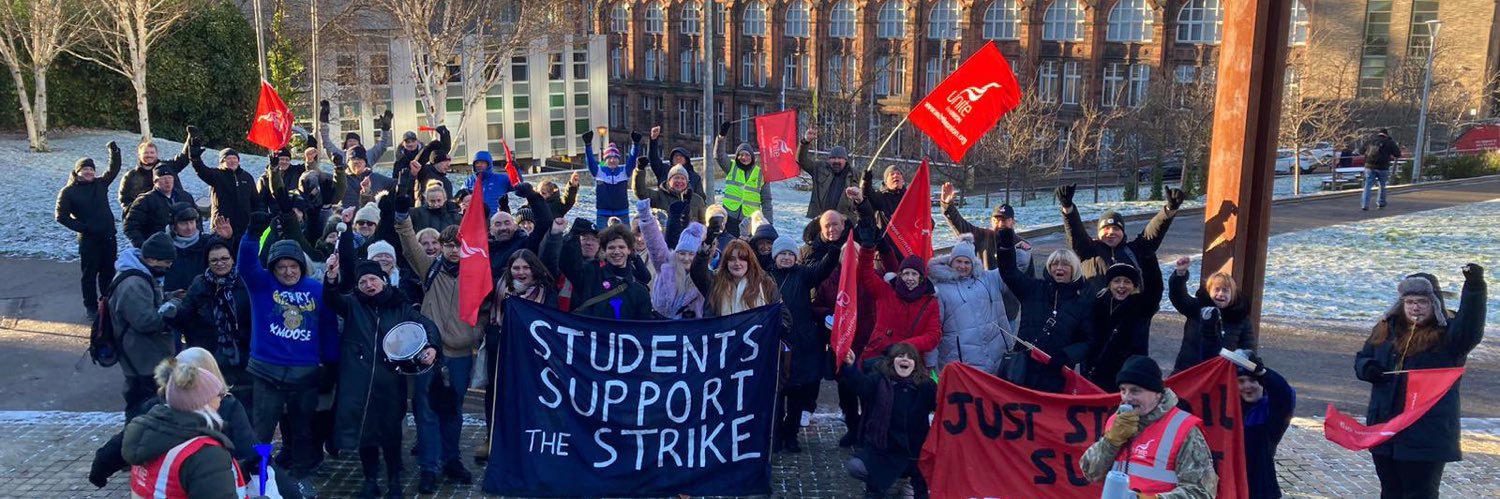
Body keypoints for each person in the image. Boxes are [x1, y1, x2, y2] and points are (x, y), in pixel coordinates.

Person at [1356, 265, 1485, 499]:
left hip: (1425, 435)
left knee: (1419, 494)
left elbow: (1471, 326)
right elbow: (1362, 358)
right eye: (1410, 301)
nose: (1415, 307)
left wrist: (1474, 286)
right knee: (1390, 492)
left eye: (1422, 302)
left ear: (1434, 304)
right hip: (1385, 431)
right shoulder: (1385, 330)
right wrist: (1368, 369)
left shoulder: (1450, 337)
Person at [325, 250, 441, 498]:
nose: (369, 285)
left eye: (373, 280)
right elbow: (331, 298)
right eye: (363, 281)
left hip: (390, 382)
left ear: (384, 280)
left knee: (390, 433)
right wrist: (332, 278)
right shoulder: (352, 304)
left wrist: (431, 346)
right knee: (365, 432)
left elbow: (426, 325)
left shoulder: (400, 306)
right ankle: (370, 481)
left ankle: (394, 482)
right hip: (358, 381)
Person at [238, 213, 335, 490]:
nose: (288, 271)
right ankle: (259, 473)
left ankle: (301, 476)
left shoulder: (316, 290)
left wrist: (330, 362)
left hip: (304, 375)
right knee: (262, 430)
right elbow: (245, 265)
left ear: (301, 267)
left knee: (303, 430)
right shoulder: (261, 285)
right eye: (282, 266)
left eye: (293, 266)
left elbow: (328, 327)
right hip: (266, 371)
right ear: (273, 268)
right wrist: (251, 235)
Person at [395, 217, 478, 491]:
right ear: (441, 247)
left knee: (453, 411)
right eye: (449, 245)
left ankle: (451, 460)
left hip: (461, 354)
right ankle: (429, 467)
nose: (454, 250)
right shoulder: (430, 269)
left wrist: (474, 334)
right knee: (427, 412)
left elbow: (487, 309)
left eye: (459, 245)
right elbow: (409, 243)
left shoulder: (476, 273)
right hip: (429, 355)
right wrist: (401, 216)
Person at [1080, 355, 1219, 499]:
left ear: (1157, 394)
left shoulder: (1183, 428)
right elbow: (1091, 472)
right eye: (1123, 390)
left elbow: (1202, 493)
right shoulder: (1117, 422)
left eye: (1135, 391)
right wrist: (1111, 442)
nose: (1127, 398)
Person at [122, 361, 246, 499]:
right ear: (204, 402)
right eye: (219, 395)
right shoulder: (205, 453)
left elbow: (183, 476)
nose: (222, 400)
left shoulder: (152, 434)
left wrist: (231, 469)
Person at [764, 234, 839, 453]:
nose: (786, 258)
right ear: (775, 256)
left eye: (790, 254)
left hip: (801, 343)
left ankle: (791, 435)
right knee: (777, 394)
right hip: (775, 342)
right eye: (782, 254)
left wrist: (833, 249)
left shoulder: (803, 275)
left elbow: (823, 269)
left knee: (797, 394)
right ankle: (775, 435)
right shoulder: (765, 277)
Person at [995, 228, 1092, 394]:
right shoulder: (1033, 288)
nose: (1059, 268)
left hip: (1055, 373)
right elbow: (1009, 273)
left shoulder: (1082, 302)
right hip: (1023, 368)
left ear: (1074, 269)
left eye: (1065, 264)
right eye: (1055, 264)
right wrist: (1005, 247)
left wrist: (1067, 356)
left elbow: (1088, 341)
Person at [840, 343, 937, 499]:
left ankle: (904, 483)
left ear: (915, 364)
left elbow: (943, 404)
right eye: (900, 356)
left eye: (910, 357)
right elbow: (860, 386)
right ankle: (882, 484)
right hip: (884, 450)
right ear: (892, 361)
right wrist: (851, 367)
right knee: (856, 467)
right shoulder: (879, 381)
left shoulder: (925, 386)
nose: (905, 359)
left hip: (914, 454)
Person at [166, 241, 252, 402]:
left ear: (233, 259)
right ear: (207, 262)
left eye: (224, 258)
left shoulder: (245, 284)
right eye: (214, 260)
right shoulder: (199, 285)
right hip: (210, 357)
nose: (220, 263)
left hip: (243, 358)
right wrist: (172, 314)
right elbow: (185, 317)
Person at [1057, 183, 1182, 287]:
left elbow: (1152, 233)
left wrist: (1170, 209)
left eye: (1116, 228)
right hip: (1094, 314)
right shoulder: (1088, 251)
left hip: (1128, 314)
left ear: (1123, 233)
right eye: (1106, 229)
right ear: (1098, 233)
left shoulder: (1135, 250)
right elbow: (1075, 232)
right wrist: (1068, 208)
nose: (1111, 232)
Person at [851, 221, 940, 363]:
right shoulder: (886, 290)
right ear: (900, 275)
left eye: (914, 274)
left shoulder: (930, 302)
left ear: (922, 278)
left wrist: (904, 346)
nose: (910, 278)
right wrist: (867, 249)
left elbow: (933, 336)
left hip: (908, 360)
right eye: (906, 273)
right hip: (878, 355)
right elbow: (865, 274)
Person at [111, 232, 177, 419]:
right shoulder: (134, 284)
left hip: (144, 358)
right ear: (152, 259)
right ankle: (130, 446)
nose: (169, 267)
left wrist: (169, 297)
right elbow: (145, 321)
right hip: (143, 362)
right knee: (141, 414)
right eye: (166, 262)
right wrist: (172, 308)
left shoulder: (140, 275)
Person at [927, 236, 1012, 374]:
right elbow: (933, 328)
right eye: (958, 261)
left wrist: (1019, 249)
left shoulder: (987, 278)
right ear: (951, 262)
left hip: (995, 355)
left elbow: (1013, 269)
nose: (962, 266)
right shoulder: (940, 290)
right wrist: (930, 362)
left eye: (967, 262)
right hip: (962, 362)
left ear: (973, 264)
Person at [57, 141, 123, 319]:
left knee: (108, 272)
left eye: (91, 169)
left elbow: (114, 169)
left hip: (109, 237)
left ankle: (108, 303)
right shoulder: (68, 192)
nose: (89, 172)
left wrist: (114, 152)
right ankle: (91, 307)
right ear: (78, 172)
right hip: (89, 240)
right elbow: (61, 216)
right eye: (85, 169)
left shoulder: (100, 184)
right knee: (89, 274)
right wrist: (84, 228)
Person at [549, 220, 654, 320]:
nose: (616, 252)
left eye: (621, 247)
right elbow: (568, 265)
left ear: (629, 250)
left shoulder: (639, 289)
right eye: (611, 248)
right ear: (604, 250)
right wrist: (573, 235)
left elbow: (643, 327)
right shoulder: (590, 273)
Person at [1084, 261, 1163, 390]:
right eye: (1117, 281)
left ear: (1134, 286)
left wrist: (1148, 259)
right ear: (1110, 284)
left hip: (1130, 373)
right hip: (1098, 372)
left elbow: (1155, 287)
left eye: (1127, 282)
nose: (1121, 286)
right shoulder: (1097, 303)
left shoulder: (1142, 306)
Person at [1169, 257, 1255, 371]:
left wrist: (1246, 362)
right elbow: (1179, 297)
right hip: (1189, 369)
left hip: (1221, 372)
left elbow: (1248, 347)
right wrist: (1180, 275)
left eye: (1225, 290)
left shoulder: (1241, 317)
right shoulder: (1197, 308)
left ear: (1232, 294)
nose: (1220, 294)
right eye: (1217, 290)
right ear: (1209, 291)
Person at [638, 200, 707, 319]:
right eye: (682, 253)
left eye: (691, 254)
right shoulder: (665, 265)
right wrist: (646, 218)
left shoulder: (705, 277)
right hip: (662, 326)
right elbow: (655, 244)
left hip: (692, 331)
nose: (686, 258)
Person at [1239, 355, 1295, 499]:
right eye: (1241, 381)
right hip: (1232, 485)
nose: (1247, 386)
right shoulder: (1232, 410)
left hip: (1260, 488)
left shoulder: (1270, 414)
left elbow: (1284, 394)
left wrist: (1262, 372)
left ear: (1263, 384)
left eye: (1253, 380)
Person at [185, 138, 262, 242]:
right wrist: (195, 159)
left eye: (235, 158)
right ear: (222, 162)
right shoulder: (216, 175)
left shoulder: (247, 177)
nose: (232, 161)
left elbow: (255, 201)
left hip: (244, 227)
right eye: (228, 159)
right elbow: (201, 170)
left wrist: (257, 220)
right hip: (221, 226)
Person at [712, 122, 774, 235]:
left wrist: (768, 223)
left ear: (752, 157)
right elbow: (719, 155)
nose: (743, 158)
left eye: (747, 155)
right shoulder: (731, 167)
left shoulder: (761, 174)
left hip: (750, 219)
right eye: (740, 155)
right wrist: (721, 136)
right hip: (729, 216)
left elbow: (766, 201)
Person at [633, 157, 707, 244]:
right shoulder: (659, 196)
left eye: (682, 178)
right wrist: (640, 170)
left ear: (687, 182)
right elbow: (641, 192)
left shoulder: (697, 199)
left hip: (691, 244)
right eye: (676, 178)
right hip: (665, 242)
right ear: (669, 181)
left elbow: (704, 223)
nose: (679, 181)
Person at [123, 166, 196, 248]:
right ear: (155, 182)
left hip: (185, 243)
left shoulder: (186, 196)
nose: (167, 182)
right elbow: (130, 227)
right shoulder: (144, 200)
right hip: (157, 246)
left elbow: (197, 219)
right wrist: (143, 246)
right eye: (163, 179)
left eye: (170, 178)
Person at [581, 130, 640, 227]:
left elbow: (632, 159)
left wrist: (635, 144)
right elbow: (590, 160)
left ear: (619, 159)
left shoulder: (624, 171)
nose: (612, 160)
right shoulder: (599, 171)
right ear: (605, 160)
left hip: (622, 212)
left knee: (626, 238)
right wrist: (588, 145)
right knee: (602, 238)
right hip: (603, 213)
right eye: (609, 158)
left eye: (615, 157)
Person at [796, 127, 857, 220]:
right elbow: (801, 160)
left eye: (840, 158)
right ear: (829, 159)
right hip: (820, 219)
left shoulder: (854, 175)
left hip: (843, 222)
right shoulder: (819, 169)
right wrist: (805, 142)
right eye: (833, 158)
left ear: (845, 160)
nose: (836, 161)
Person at [118, 138, 192, 212]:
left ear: (156, 154)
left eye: (152, 152)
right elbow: (124, 199)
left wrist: (190, 138)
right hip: (145, 214)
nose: (149, 155)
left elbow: (183, 158)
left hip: (172, 211)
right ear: (139, 155)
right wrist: (134, 211)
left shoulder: (168, 167)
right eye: (146, 153)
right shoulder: (130, 176)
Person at [318, 100, 392, 168]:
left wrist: (385, 130)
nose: (352, 142)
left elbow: (382, 145)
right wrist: (323, 123)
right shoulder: (340, 155)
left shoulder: (369, 155)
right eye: (350, 141)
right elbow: (327, 143)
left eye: (355, 141)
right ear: (345, 144)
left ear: (359, 143)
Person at [644, 126, 705, 197]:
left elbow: (700, 198)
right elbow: (653, 158)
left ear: (686, 159)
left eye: (681, 156)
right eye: (676, 156)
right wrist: (653, 140)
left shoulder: (694, 177)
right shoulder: (663, 170)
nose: (678, 158)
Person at [464, 150, 518, 216]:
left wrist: (515, 170)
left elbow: (518, 186)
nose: (479, 165)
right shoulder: (468, 182)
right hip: (476, 219)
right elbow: (460, 200)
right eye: (477, 163)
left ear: (489, 164)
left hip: (497, 219)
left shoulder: (502, 179)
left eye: (482, 162)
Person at [1362, 128, 1402, 211]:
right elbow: (1397, 154)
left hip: (1369, 166)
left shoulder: (1371, 140)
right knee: (1382, 185)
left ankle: (1365, 205)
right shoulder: (1389, 142)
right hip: (1383, 167)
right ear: (1386, 134)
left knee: (1367, 185)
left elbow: (1360, 151)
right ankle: (1381, 203)